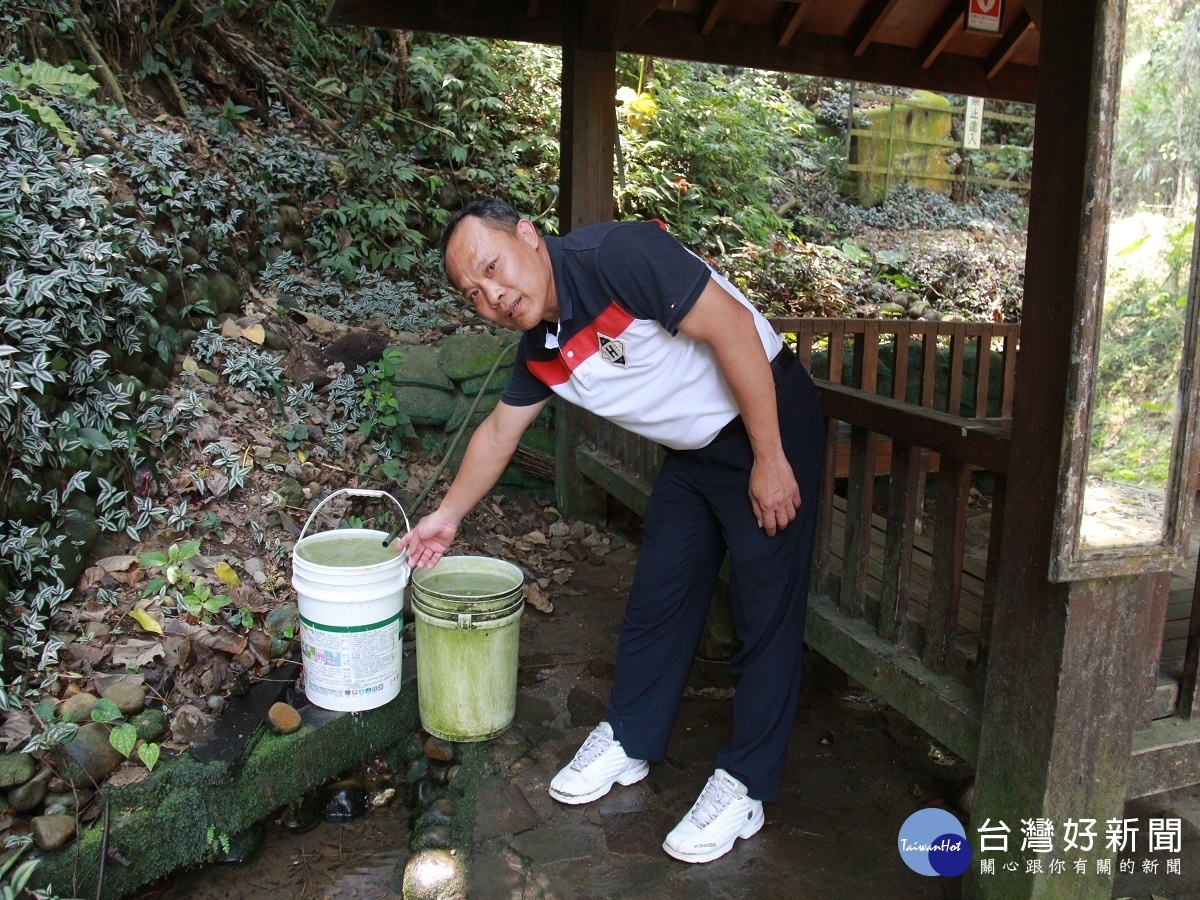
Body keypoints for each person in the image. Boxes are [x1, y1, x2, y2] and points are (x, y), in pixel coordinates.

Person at [397, 198, 825, 864]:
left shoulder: (619, 257)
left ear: (529, 236)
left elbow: (735, 328)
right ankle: (631, 737)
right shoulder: (540, 344)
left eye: (493, 266)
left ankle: (746, 782)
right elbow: (500, 432)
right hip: (694, 451)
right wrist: (447, 517)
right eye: (473, 293)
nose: (493, 295)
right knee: (660, 594)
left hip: (765, 418)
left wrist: (771, 457)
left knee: (764, 610)